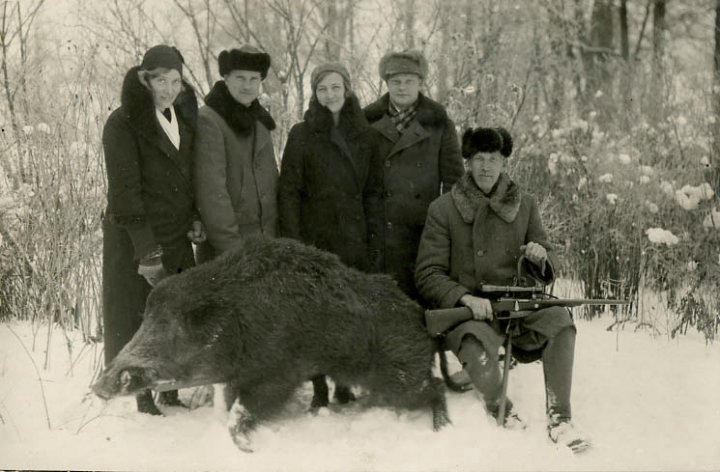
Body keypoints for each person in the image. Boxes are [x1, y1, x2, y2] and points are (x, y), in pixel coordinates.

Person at [415, 127, 589, 453]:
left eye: (493, 159)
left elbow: (549, 261)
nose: (485, 167)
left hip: (517, 308)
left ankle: (560, 417)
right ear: (467, 162)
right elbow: (427, 273)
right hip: (469, 311)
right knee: (472, 340)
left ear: (503, 162)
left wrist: (540, 258)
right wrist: (465, 298)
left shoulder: (525, 206)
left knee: (560, 322)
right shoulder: (443, 209)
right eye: (478, 159)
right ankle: (499, 406)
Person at [102, 44, 205, 415]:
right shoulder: (123, 122)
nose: (168, 89)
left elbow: (189, 176)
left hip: (176, 235)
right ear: (145, 79)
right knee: (138, 315)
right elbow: (124, 193)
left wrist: (195, 216)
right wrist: (146, 253)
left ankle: (170, 388)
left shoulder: (182, 117)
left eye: (175, 80)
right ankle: (141, 395)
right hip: (137, 239)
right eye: (160, 80)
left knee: (173, 313)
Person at [278, 62, 384, 408]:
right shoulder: (302, 133)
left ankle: (344, 383)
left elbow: (373, 191)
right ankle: (320, 388)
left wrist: (372, 237)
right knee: (315, 316)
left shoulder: (366, 134)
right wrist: (293, 241)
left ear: (348, 89)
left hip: (353, 237)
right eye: (322, 89)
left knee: (349, 314)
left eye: (336, 87)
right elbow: (290, 190)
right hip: (315, 238)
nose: (330, 95)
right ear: (314, 94)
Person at [364, 49, 463, 301]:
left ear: (421, 83)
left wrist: (445, 230)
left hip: (422, 232)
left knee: (419, 305)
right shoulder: (367, 120)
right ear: (386, 83)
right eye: (396, 81)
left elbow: (453, 182)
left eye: (409, 81)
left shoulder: (439, 123)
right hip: (379, 233)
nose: (402, 88)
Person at [194, 45, 278, 260]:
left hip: (264, 244)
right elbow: (212, 194)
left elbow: (270, 182)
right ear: (226, 78)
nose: (247, 86)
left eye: (254, 79)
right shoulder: (210, 120)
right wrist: (233, 252)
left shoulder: (260, 121)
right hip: (229, 251)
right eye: (240, 78)